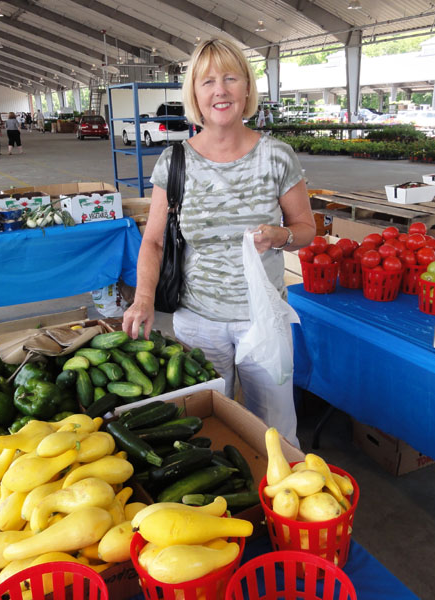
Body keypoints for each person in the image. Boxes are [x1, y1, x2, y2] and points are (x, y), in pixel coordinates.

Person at [121, 38, 315, 447]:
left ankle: (282, 501)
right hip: (198, 322)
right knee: (205, 427)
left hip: (263, 320)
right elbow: (153, 241)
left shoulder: (277, 156)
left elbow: (306, 229)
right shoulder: (174, 161)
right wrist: (142, 298)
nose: (220, 91)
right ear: (194, 93)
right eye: (207, 81)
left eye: (230, 78)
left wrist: (281, 235)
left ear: (247, 89)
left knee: (276, 430)